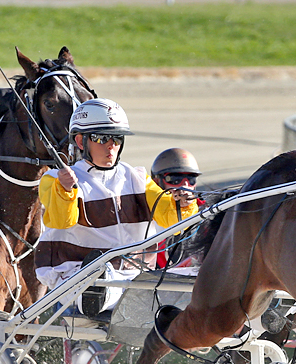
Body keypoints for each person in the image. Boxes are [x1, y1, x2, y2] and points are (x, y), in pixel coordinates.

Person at [35, 98, 198, 316]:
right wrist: (66, 190)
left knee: (199, 275)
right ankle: (96, 294)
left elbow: (173, 223)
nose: (111, 146)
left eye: (117, 138)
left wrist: (184, 205)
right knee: (104, 281)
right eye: (102, 138)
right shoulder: (54, 179)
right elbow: (62, 220)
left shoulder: (137, 177)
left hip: (138, 277)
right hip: (75, 277)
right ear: (81, 142)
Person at [149, 148, 204, 268]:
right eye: (175, 179)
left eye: (191, 179)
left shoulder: (208, 212)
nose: (185, 185)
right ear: (157, 181)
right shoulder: (143, 213)